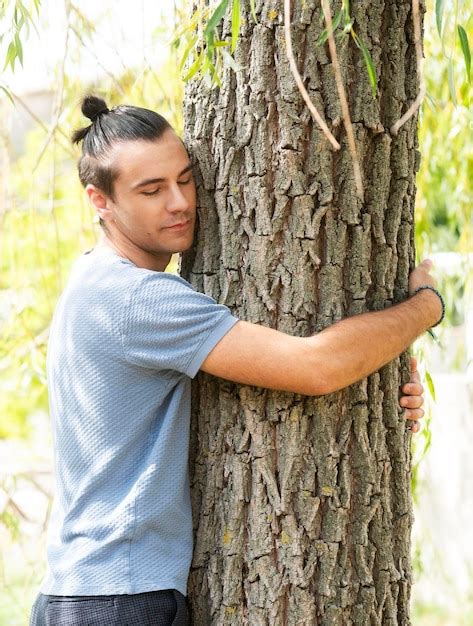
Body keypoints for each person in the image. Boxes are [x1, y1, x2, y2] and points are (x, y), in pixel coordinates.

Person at [29, 95, 443, 626]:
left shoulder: (93, 282)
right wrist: (426, 307)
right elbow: (316, 368)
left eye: (185, 179)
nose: (180, 202)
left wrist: (384, 381)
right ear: (100, 201)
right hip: (120, 601)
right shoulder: (139, 300)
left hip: (85, 593)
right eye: (152, 190)